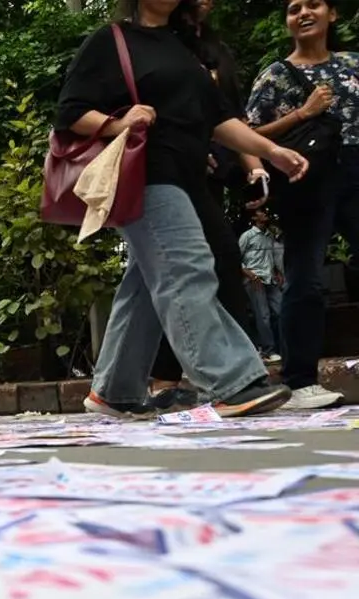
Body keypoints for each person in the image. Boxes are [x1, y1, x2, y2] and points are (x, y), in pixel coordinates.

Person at [58, 0, 305, 420]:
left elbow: (218, 120)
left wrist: (271, 151)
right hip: (146, 174)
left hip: (187, 177)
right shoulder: (112, 40)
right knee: (188, 267)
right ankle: (231, 381)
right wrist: (120, 123)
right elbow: (70, 112)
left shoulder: (180, 46)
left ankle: (113, 391)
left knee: (147, 281)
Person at [145, 0, 270, 411]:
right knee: (206, 261)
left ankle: (117, 386)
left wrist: (256, 165)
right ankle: (231, 379)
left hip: (208, 174)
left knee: (156, 278)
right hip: (161, 168)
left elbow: (228, 116)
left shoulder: (215, 50)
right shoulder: (152, 42)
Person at [247, 0, 351, 409]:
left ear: (332, 14)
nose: (304, 13)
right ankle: (300, 380)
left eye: (313, 4)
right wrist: (302, 114)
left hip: (356, 171)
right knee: (304, 276)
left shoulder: (352, 64)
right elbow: (248, 134)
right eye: (294, 8)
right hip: (308, 175)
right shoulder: (275, 75)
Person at [239, 209, 287, 362]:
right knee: (263, 316)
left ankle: (281, 348)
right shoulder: (247, 236)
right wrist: (250, 274)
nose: (266, 213)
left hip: (270, 279)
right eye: (261, 212)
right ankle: (268, 350)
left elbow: (270, 256)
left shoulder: (269, 236)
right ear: (254, 217)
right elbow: (235, 258)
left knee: (280, 312)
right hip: (255, 280)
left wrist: (277, 272)